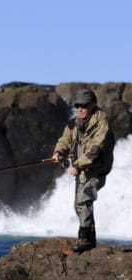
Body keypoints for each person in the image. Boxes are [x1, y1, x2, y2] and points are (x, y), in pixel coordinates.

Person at [52, 89, 114, 253]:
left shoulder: (102, 124)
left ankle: (84, 239)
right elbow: (65, 139)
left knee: (84, 199)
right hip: (82, 169)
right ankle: (91, 238)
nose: (80, 109)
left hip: (97, 169)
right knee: (78, 206)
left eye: (84, 106)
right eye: (77, 105)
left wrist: (78, 165)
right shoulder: (75, 122)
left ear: (93, 105)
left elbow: (95, 150)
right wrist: (58, 152)